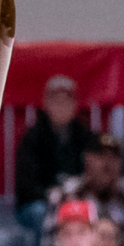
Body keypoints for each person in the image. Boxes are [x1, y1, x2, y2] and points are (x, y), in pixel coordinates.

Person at [42, 134, 124, 246]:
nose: (108, 164)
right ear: (87, 160)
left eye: (113, 157)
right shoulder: (64, 196)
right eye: (101, 156)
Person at [13, 75, 94, 236]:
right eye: (57, 101)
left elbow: (92, 175)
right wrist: (53, 195)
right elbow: (26, 185)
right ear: (46, 104)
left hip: (77, 197)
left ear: (75, 105)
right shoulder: (32, 137)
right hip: (39, 202)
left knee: (94, 208)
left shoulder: (85, 136)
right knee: (42, 212)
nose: (61, 107)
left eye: (66, 101)